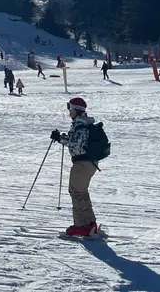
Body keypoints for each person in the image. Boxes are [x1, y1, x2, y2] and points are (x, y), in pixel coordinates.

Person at [50, 97, 104, 238]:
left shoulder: (81, 125)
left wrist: (61, 138)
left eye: (71, 109)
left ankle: (81, 226)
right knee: (81, 192)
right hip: (89, 163)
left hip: (82, 163)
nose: (69, 112)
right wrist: (60, 138)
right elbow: (76, 142)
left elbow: (76, 146)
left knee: (76, 192)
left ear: (77, 110)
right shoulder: (83, 124)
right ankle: (90, 223)